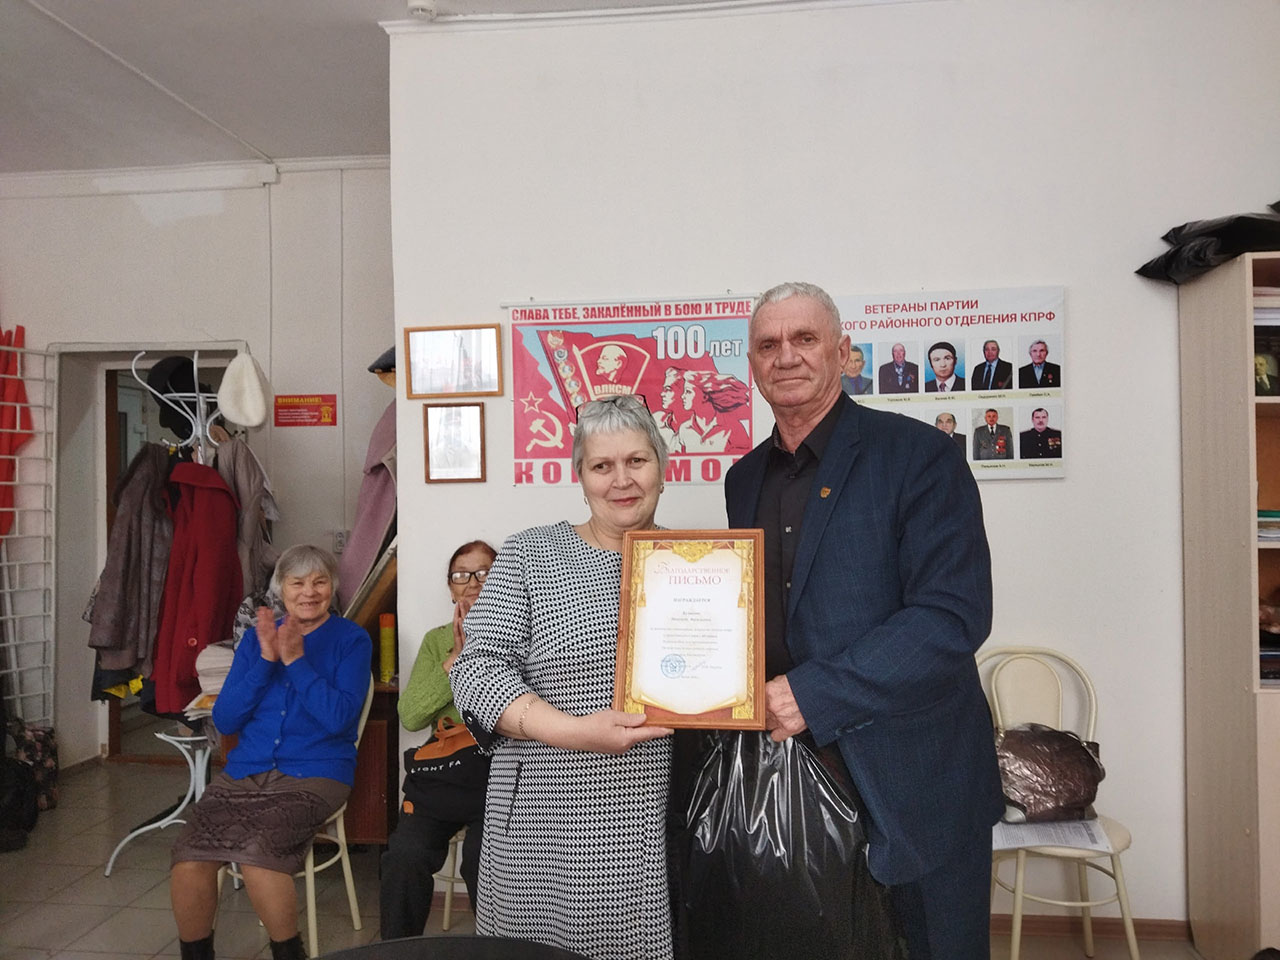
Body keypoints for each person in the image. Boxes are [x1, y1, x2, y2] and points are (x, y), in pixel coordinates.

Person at [724, 281, 1001, 960]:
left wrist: (811, 693)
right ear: (752, 363)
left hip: (918, 778)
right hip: (794, 779)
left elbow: (952, 616)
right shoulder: (744, 478)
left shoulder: (920, 455)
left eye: (805, 338)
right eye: (768, 344)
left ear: (843, 351)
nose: (786, 356)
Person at [449, 393, 676, 960]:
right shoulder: (530, 554)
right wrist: (575, 732)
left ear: (662, 467)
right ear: (580, 477)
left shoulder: (696, 562)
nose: (621, 480)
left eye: (637, 460)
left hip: (656, 826)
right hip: (545, 828)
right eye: (602, 465)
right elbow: (475, 671)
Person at [169, 546, 371, 960]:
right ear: (281, 589)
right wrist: (264, 659)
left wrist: (295, 661)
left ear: (332, 588)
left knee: (259, 856)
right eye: (298, 583)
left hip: (316, 773)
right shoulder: (255, 640)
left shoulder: (352, 639)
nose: (309, 592)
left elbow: (338, 719)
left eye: (319, 582)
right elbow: (226, 720)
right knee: (189, 857)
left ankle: (288, 954)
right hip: (246, 771)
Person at [379, 540, 497, 940]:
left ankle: (497, 947)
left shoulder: (520, 636)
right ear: (450, 588)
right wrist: (454, 661)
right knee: (404, 856)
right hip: (444, 773)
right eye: (461, 575)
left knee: (483, 860)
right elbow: (411, 716)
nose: (473, 583)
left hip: (498, 775)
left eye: (484, 572)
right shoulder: (436, 641)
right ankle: (397, 950)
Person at [674, 369, 752, 453]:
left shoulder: (733, 427)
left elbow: (748, 458)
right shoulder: (684, 429)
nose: (683, 396)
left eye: (688, 392)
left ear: (705, 397)